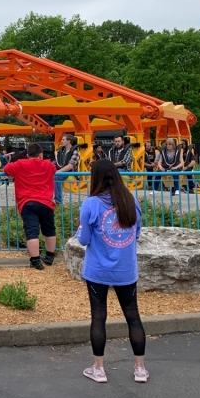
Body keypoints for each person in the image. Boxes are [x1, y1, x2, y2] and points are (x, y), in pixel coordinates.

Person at [76, 159, 147, 384]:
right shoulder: (131, 200)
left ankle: (98, 368)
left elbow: (84, 238)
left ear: (95, 178)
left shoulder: (91, 204)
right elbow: (136, 234)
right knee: (133, 316)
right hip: (126, 269)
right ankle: (140, 369)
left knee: (99, 316)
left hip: (97, 270)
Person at [3, 143, 57, 270]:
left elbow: (6, 170)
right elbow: (53, 170)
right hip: (46, 201)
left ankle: (35, 260)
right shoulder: (48, 165)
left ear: (27, 155)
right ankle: (49, 256)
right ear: (41, 154)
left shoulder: (21, 164)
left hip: (27, 201)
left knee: (31, 231)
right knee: (49, 229)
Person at [54, 133, 80, 204]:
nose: (61, 141)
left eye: (63, 139)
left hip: (71, 172)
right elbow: (55, 162)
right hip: (62, 171)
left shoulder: (75, 152)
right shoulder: (60, 151)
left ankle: (58, 201)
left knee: (56, 177)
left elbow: (70, 166)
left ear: (69, 141)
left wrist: (58, 171)